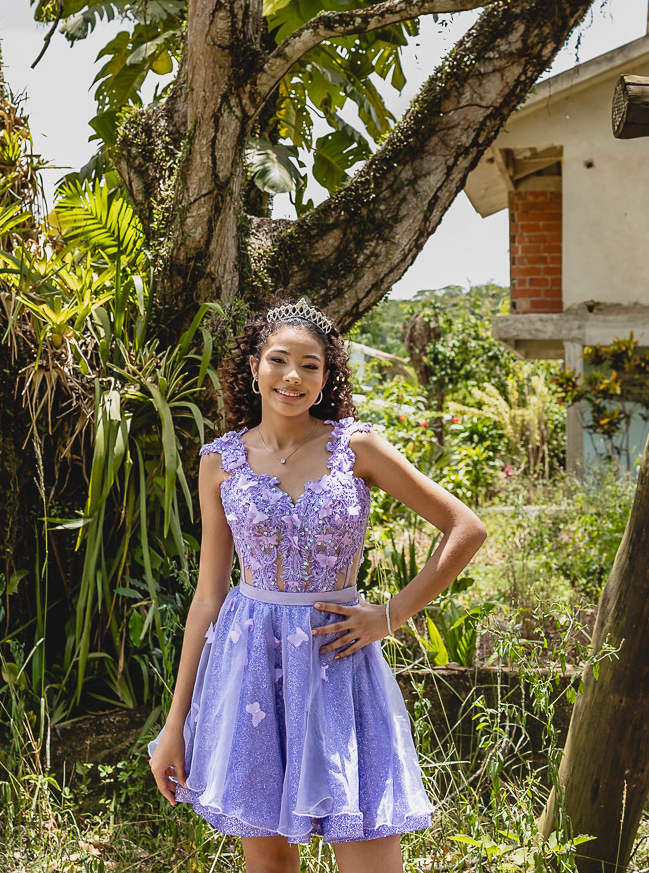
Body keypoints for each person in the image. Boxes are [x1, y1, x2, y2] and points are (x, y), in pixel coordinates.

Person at [148, 297, 487, 873]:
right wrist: (175, 723)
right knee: (270, 866)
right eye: (279, 359)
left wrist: (389, 616)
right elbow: (208, 597)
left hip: (339, 664)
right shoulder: (220, 462)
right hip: (253, 671)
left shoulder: (356, 448)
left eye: (311, 364)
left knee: (372, 862)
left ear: (327, 377)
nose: (293, 376)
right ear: (254, 365)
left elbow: (466, 528)